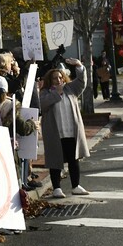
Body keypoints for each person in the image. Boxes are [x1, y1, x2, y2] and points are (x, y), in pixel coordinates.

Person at [38, 63, 91, 197]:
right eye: (55, 78)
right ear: (50, 80)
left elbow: (81, 82)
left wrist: (79, 66)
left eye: (60, 77)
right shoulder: (45, 92)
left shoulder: (70, 89)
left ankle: (76, 185)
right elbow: (43, 105)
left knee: (74, 159)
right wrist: (57, 93)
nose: (59, 80)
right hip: (55, 132)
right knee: (55, 159)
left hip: (71, 131)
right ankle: (57, 188)